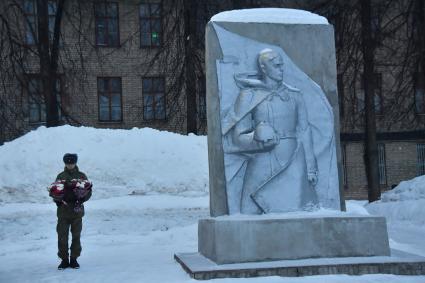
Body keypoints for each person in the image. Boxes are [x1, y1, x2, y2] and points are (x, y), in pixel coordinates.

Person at [228, 48, 318, 214]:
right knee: (250, 212)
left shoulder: (295, 96)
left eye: (281, 65)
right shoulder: (248, 95)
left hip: (291, 160)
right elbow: (237, 138)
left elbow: (305, 132)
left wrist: (310, 168)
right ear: (263, 67)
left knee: (294, 213)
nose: (280, 68)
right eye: (275, 64)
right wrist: (256, 137)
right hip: (260, 162)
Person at [54, 153, 91, 270]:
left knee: (76, 236)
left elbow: (88, 191)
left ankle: (74, 259)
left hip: (77, 211)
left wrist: (82, 198)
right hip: (63, 211)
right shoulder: (61, 176)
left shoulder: (81, 176)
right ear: (65, 163)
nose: (70, 165)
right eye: (67, 163)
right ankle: (64, 260)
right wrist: (57, 200)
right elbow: (55, 189)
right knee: (62, 236)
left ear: (75, 162)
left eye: (72, 162)